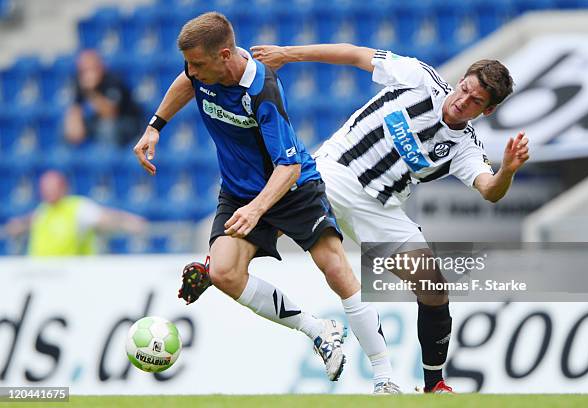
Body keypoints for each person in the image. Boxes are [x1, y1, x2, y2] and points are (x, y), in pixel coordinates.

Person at [133, 12, 400, 393]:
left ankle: (385, 377)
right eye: (188, 63)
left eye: (197, 64)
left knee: (335, 269)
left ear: (225, 55)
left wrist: (259, 209)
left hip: (292, 187)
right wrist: (154, 126)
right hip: (240, 191)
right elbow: (186, 82)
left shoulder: (262, 90)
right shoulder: (201, 69)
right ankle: (318, 330)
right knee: (223, 273)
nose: (190, 71)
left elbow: (288, 165)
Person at [252, 43, 530, 393]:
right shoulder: (418, 77)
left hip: (380, 208)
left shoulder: (464, 147)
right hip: (335, 170)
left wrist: (506, 169)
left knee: (433, 288)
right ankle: (215, 263)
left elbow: (490, 190)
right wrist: (287, 55)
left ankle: (434, 384)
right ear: (460, 80)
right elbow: (353, 55)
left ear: (486, 111)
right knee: (271, 218)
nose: (463, 100)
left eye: (475, 101)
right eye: (465, 89)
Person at [5, 170, 147, 256]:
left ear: (63, 187)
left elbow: (106, 217)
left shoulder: (78, 207)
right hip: (41, 274)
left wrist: (129, 221)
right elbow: (27, 222)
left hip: (70, 274)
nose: (46, 192)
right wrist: (17, 226)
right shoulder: (43, 210)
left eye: (50, 187)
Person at [63, 49, 142, 148]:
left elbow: (110, 113)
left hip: (127, 123)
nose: (87, 74)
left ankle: (109, 158)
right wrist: (74, 122)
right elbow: (76, 108)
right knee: (66, 126)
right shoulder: (79, 82)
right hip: (99, 121)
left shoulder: (113, 81)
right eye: (83, 70)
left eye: (90, 69)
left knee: (106, 126)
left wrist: (91, 92)